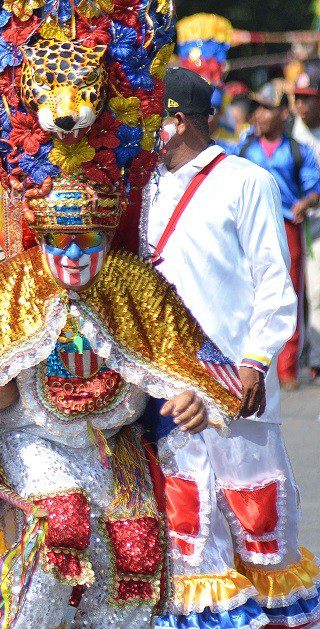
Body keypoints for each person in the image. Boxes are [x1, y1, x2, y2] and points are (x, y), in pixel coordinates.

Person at [0, 175, 243, 627]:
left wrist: (194, 399)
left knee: (137, 554)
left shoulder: (135, 284)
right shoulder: (7, 289)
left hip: (115, 446)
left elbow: (197, 365)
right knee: (61, 526)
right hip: (33, 441)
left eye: (88, 240)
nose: (74, 255)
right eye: (60, 240)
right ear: (41, 236)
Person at [145, 67, 319, 629]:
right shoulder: (142, 187)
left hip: (234, 396)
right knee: (190, 551)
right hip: (167, 396)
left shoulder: (246, 180)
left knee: (259, 540)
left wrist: (252, 364)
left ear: (177, 122)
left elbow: (275, 282)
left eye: (154, 119)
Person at [235, 80, 320, 390]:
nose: (260, 115)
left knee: (288, 293)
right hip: (247, 227)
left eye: (268, 109)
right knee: (247, 290)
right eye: (257, 109)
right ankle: (246, 361)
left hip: (287, 227)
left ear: (284, 113)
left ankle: (286, 368)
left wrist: (306, 202)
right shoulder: (244, 147)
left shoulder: (297, 150)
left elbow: (314, 187)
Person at [292, 63, 320, 379]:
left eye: (308, 98)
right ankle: (303, 354)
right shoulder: (289, 132)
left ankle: (315, 357)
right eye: (298, 98)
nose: (301, 105)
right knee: (298, 292)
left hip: (315, 221)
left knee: (316, 293)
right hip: (295, 224)